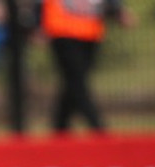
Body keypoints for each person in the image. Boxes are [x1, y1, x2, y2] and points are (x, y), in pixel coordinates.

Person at [41, 0, 135, 132]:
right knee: (77, 82)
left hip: (90, 31)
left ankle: (60, 128)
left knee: (73, 84)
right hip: (62, 30)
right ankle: (98, 129)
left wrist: (118, 10)